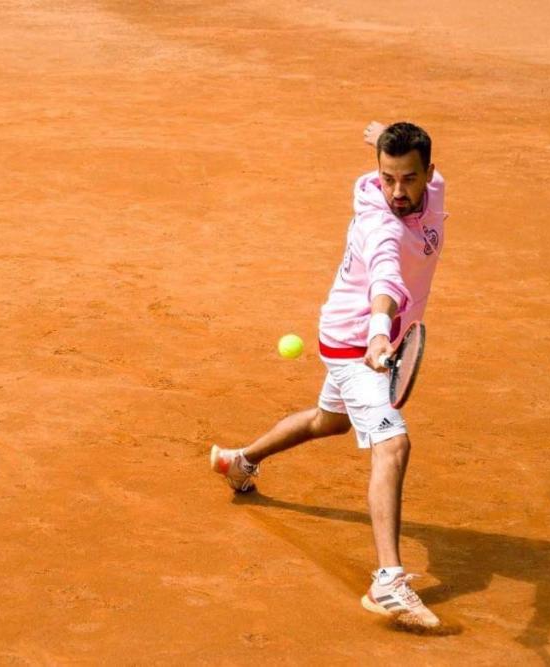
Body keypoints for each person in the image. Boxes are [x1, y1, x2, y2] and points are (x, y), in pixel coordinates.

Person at [210, 121, 448, 628]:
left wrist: (382, 134)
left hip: (356, 335)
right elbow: (385, 279)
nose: (397, 191)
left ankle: (240, 461)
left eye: (408, 178)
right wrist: (380, 334)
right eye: (386, 178)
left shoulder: (434, 189)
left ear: (429, 172)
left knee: (329, 421)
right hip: (358, 344)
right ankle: (387, 581)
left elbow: (405, 158)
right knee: (393, 444)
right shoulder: (379, 225)